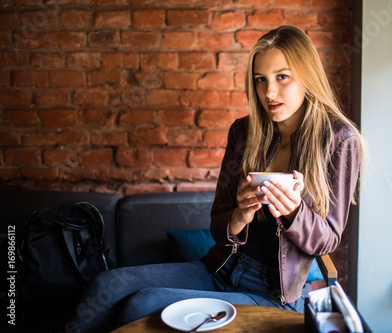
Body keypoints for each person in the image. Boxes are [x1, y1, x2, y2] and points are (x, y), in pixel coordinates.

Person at [71, 25, 365, 333]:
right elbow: (218, 226)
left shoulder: (340, 140)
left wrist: (294, 212)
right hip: (221, 267)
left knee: (142, 304)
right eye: (260, 80)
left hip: (273, 292)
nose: (269, 93)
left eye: (282, 77)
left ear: (307, 76)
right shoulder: (243, 132)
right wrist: (240, 215)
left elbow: (328, 239)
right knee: (107, 282)